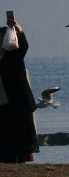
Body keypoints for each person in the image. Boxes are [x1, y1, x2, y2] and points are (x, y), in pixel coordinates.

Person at [0, 16, 38, 163]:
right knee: (6, 131)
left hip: (18, 100)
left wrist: (19, 30)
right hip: (4, 101)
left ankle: (19, 158)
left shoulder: (13, 55)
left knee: (20, 132)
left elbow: (23, 46)